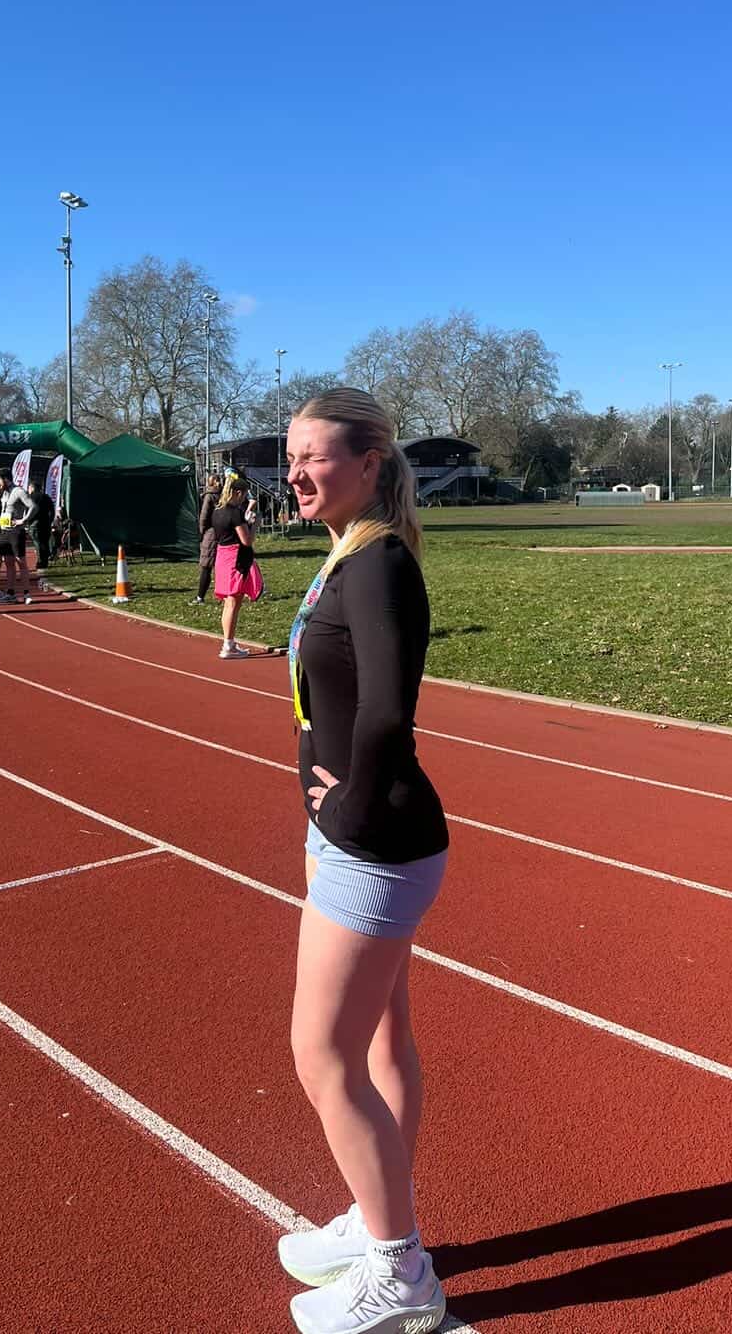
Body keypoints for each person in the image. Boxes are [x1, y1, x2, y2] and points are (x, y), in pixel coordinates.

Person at [277, 388, 449, 1334]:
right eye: (291, 458)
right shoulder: (348, 555)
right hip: (355, 836)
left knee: (322, 1054)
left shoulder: (378, 564)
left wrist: (341, 806)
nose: (296, 473)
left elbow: (388, 711)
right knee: (379, 1041)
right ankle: (379, 1219)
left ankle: (401, 1274)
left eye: (316, 457)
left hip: (372, 844)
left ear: (371, 462)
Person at [211, 475, 262, 659]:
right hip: (235, 558)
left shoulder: (217, 511)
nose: (245, 499)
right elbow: (246, 540)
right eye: (244, 495)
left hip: (222, 555)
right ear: (238, 492)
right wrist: (254, 524)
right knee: (233, 601)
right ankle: (228, 646)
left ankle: (228, 643)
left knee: (229, 602)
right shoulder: (234, 512)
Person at [0, 468, 37, 604]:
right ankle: (10, 593)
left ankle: (26, 594)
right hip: (4, 531)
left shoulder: (19, 491)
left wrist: (23, 521)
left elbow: (33, 506)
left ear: (6, 479)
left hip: (16, 532)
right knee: (9, 564)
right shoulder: (4, 493)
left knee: (21, 562)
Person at [192, 473, 222, 604]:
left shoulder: (209, 496)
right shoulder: (224, 496)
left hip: (210, 533)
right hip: (223, 533)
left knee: (206, 567)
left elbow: (204, 516)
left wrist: (201, 532)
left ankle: (200, 597)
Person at [28, 476, 56, 570]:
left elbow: (28, 510)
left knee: (38, 543)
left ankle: (41, 562)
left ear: (32, 488)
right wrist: (50, 520)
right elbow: (52, 510)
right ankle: (45, 561)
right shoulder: (47, 497)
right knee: (44, 542)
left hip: (35, 523)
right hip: (46, 523)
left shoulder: (31, 497)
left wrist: (27, 521)